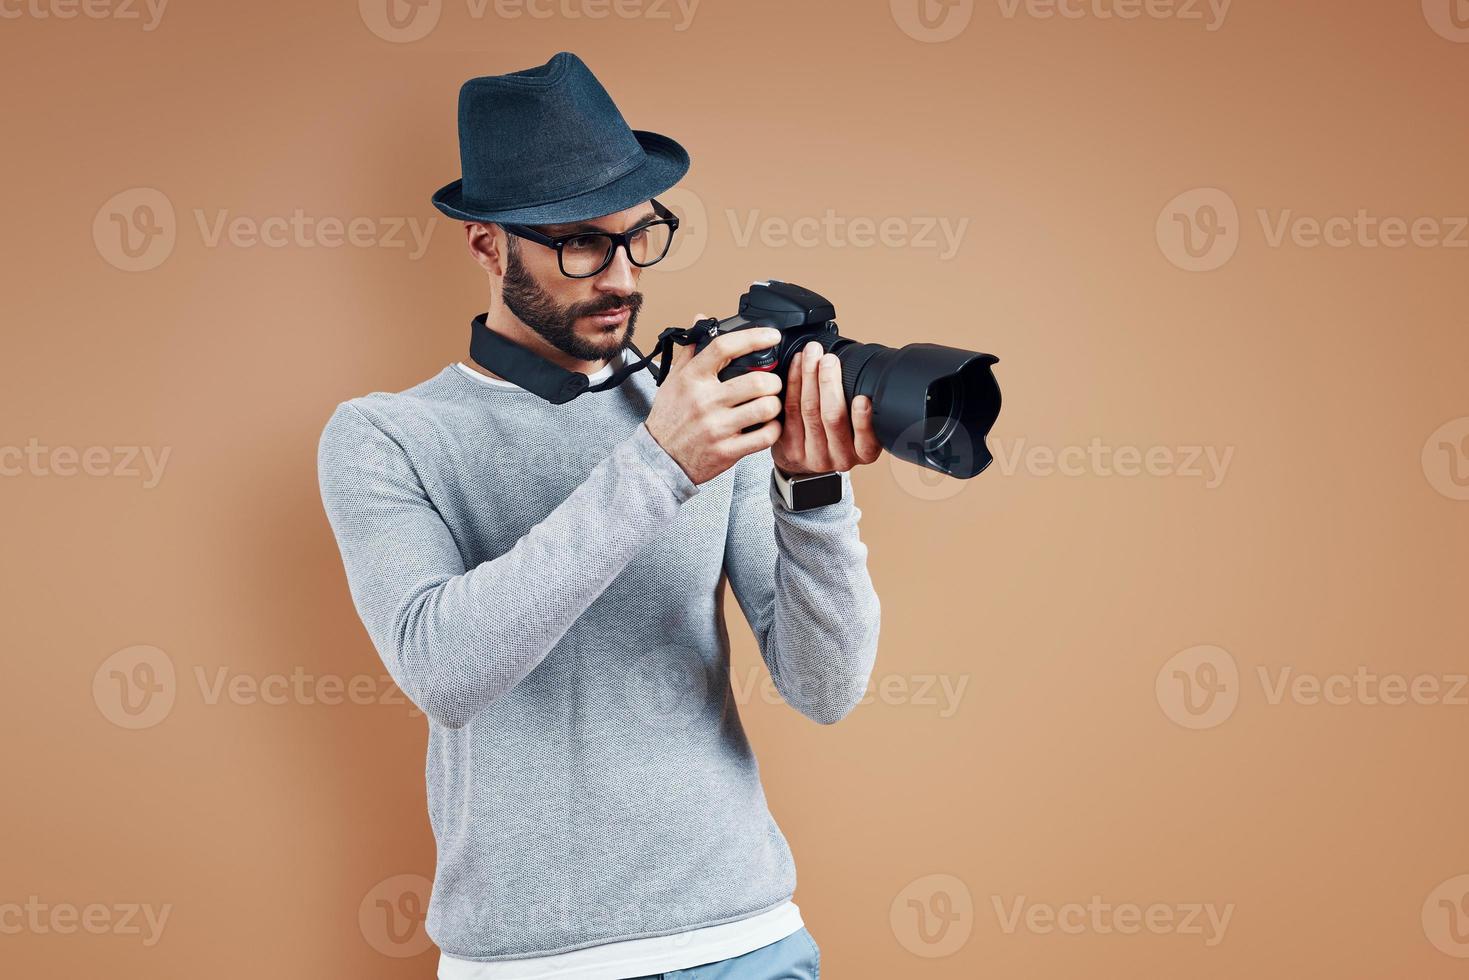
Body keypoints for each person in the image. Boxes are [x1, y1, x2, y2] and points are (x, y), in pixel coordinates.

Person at [317, 51, 882, 980]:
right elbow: (445, 670)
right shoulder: (386, 435)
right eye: (581, 242)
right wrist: (659, 465)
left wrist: (812, 494)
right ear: (487, 245)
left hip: (742, 943)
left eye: (637, 236)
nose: (619, 275)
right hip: (526, 963)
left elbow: (825, 688)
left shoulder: (699, 404)